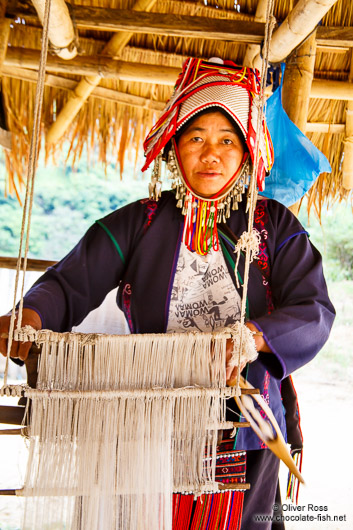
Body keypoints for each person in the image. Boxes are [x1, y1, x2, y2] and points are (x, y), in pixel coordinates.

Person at [0, 58, 335, 529]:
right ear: (174, 146)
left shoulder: (272, 224)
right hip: (149, 421)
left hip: (246, 423)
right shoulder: (141, 221)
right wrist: (31, 316)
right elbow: (69, 281)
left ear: (246, 152)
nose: (211, 154)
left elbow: (315, 310)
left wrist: (253, 336)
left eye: (227, 140)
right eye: (196, 138)